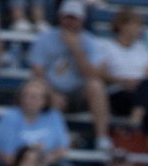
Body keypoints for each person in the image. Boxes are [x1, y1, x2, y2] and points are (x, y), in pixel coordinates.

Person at [28, 0, 112, 151]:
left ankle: (102, 138)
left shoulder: (90, 42)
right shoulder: (45, 39)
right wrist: (50, 93)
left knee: (96, 86)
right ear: (60, 18)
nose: (70, 22)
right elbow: (37, 73)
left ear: (82, 20)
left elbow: (92, 74)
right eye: (67, 17)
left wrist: (76, 49)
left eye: (74, 18)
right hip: (53, 89)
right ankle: (53, 140)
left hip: (79, 93)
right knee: (40, 91)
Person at [95, 7, 148, 140]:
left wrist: (137, 84)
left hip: (140, 91)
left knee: (147, 88)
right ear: (122, 25)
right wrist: (123, 82)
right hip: (117, 92)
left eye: (139, 25)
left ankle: (135, 121)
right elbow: (101, 74)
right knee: (147, 99)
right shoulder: (106, 46)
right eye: (135, 24)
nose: (138, 29)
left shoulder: (142, 48)